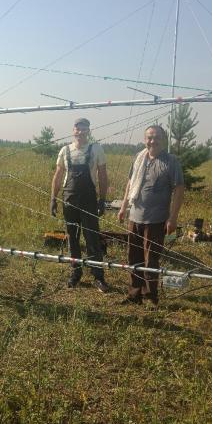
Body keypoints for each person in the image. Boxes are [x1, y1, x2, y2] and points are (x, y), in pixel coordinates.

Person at [118, 124, 185, 306]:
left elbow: (179, 189)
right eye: (149, 137)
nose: (152, 141)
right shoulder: (138, 158)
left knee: (151, 259)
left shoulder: (171, 161)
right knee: (133, 257)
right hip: (135, 217)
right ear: (144, 139)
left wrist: (173, 217)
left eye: (156, 137)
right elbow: (130, 184)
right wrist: (123, 207)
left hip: (156, 219)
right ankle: (134, 294)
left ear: (163, 140)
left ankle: (150, 297)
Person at [50, 117, 110, 292]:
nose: (80, 132)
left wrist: (102, 199)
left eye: (84, 129)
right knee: (72, 238)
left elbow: (103, 175)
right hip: (69, 199)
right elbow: (58, 175)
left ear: (88, 131)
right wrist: (53, 198)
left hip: (89, 199)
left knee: (92, 239)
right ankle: (75, 273)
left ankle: (98, 276)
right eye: (78, 128)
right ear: (73, 130)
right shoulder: (65, 150)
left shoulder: (96, 149)